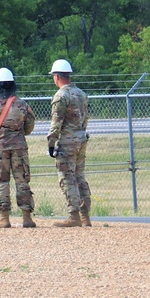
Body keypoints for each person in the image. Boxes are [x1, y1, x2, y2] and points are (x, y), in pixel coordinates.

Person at [0, 68, 36, 228]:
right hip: (19, 147)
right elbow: (29, 127)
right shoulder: (22, 105)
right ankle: (27, 218)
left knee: (1, 182)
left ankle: (4, 218)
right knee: (22, 181)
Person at [47, 59, 92, 227]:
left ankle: (73, 216)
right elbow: (85, 118)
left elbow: (56, 122)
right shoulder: (81, 94)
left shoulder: (61, 96)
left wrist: (51, 142)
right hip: (81, 139)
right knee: (80, 176)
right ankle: (85, 215)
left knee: (67, 177)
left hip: (67, 142)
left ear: (57, 76)